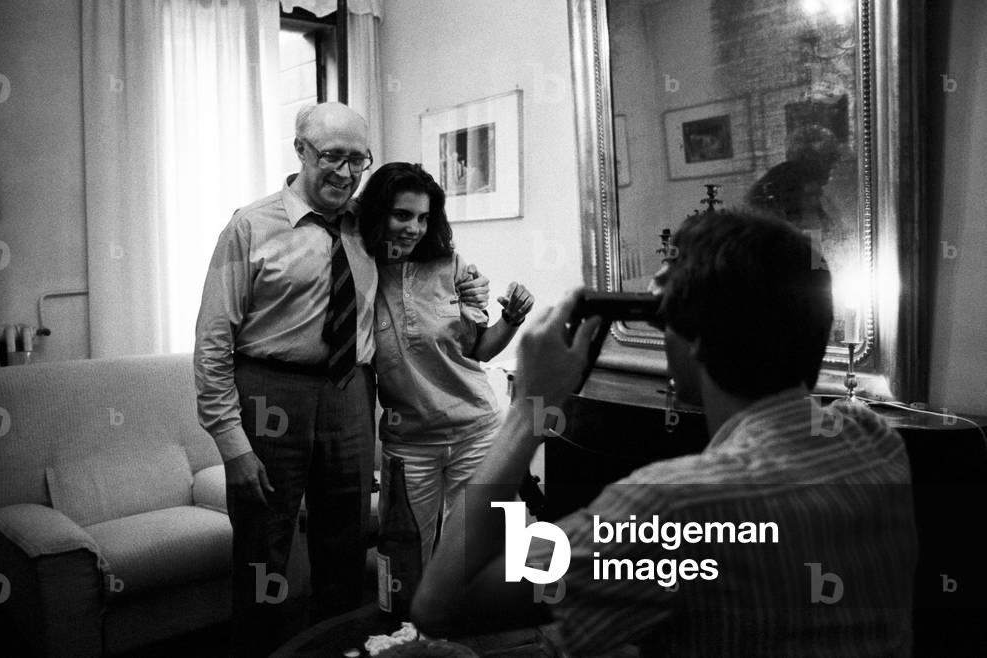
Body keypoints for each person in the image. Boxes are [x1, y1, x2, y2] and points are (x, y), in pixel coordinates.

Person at [412, 209, 918, 656]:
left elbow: (439, 604)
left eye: (664, 315)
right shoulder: (872, 439)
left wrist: (529, 410)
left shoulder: (674, 510)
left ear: (695, 339)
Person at [193, 103, 489, 657]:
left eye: (358, 159)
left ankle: (338, 651)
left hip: (351, 393)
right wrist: (231, 443)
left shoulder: (366, 225)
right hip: (269, 393)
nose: (345, 172)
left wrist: (471, 289)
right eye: (333, 156)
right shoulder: (249, 226)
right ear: (301, 150)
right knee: (264, 549)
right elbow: (212, 342)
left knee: (346, 547)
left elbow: (425, 259)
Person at [356, 162, 534, 565]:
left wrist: (512, 319)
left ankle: (462, 629)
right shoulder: (359, 269)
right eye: (402, 214)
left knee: (474, 557)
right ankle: (407, 630)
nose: (415, 228)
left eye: (423, 217)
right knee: (404, 560)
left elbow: (478, 352)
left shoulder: (452, 266)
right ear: (378, 213)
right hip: (409, 443)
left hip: (476, 431)